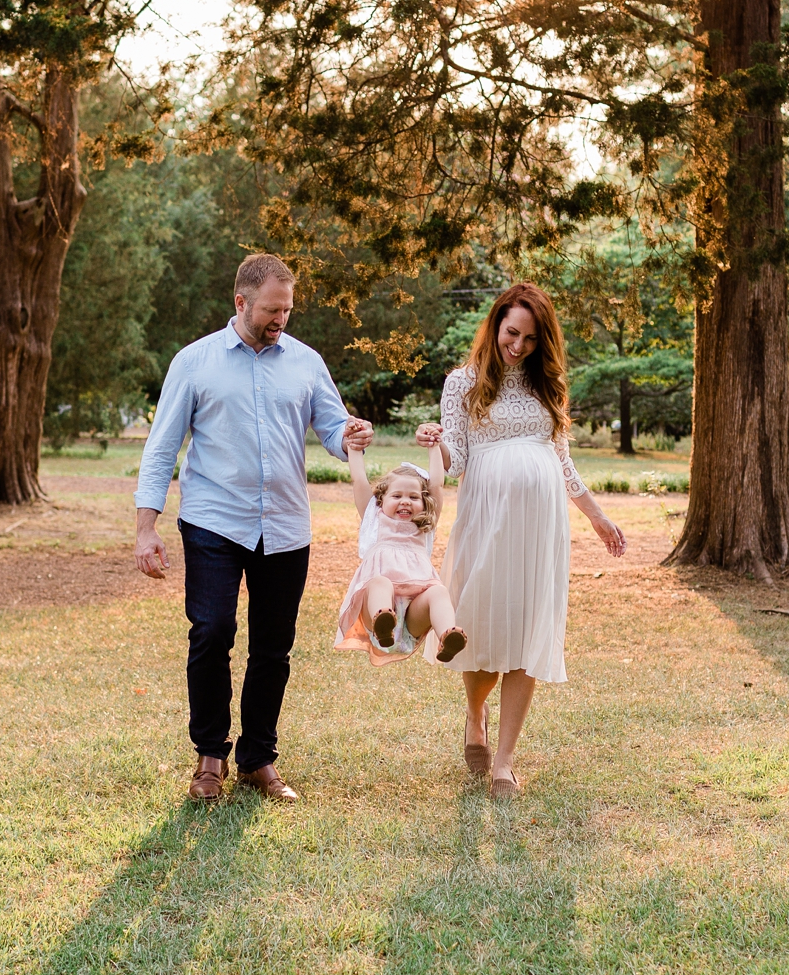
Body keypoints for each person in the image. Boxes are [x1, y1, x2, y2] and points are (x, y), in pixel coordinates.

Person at [134, 253, 375, 804]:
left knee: (274, 647)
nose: (281, 320)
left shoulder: (306, 362)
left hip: (286, 526)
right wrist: (146, 528)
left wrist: (352, 434)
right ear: (240, 302)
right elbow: (161, 449)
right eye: (271, 309)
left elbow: (334, 429)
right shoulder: (194, 363)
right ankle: (210, 757)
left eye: (287, 310)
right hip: (213, 519)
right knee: (212, 631)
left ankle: (258, 759)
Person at [419, 282, 625, 798]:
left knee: (528, 633)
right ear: (494, 325)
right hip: (487, 518)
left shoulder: (545, 385)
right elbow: (459, 459)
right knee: (480, 630)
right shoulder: (461, 383)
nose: (519, 346)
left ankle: (505, 762)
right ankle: (475, 715)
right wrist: (435, 447)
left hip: (541, 527)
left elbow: (561, 458)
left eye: (532, 339)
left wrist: (596, 515)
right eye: (513, 333)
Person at [333, 437, 468, 666]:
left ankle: (447, 635)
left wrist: (433, 446)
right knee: (379, 582)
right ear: (381, 500)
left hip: (413, 616)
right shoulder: (374, 519)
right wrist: (354, 448)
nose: (405, 502)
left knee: (437, 591)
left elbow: (436, 484)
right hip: (377, 621)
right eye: (397, 496)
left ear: (424, 503)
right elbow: (359, 480)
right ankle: (383, 620)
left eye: (414, 497)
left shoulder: (424, 526)